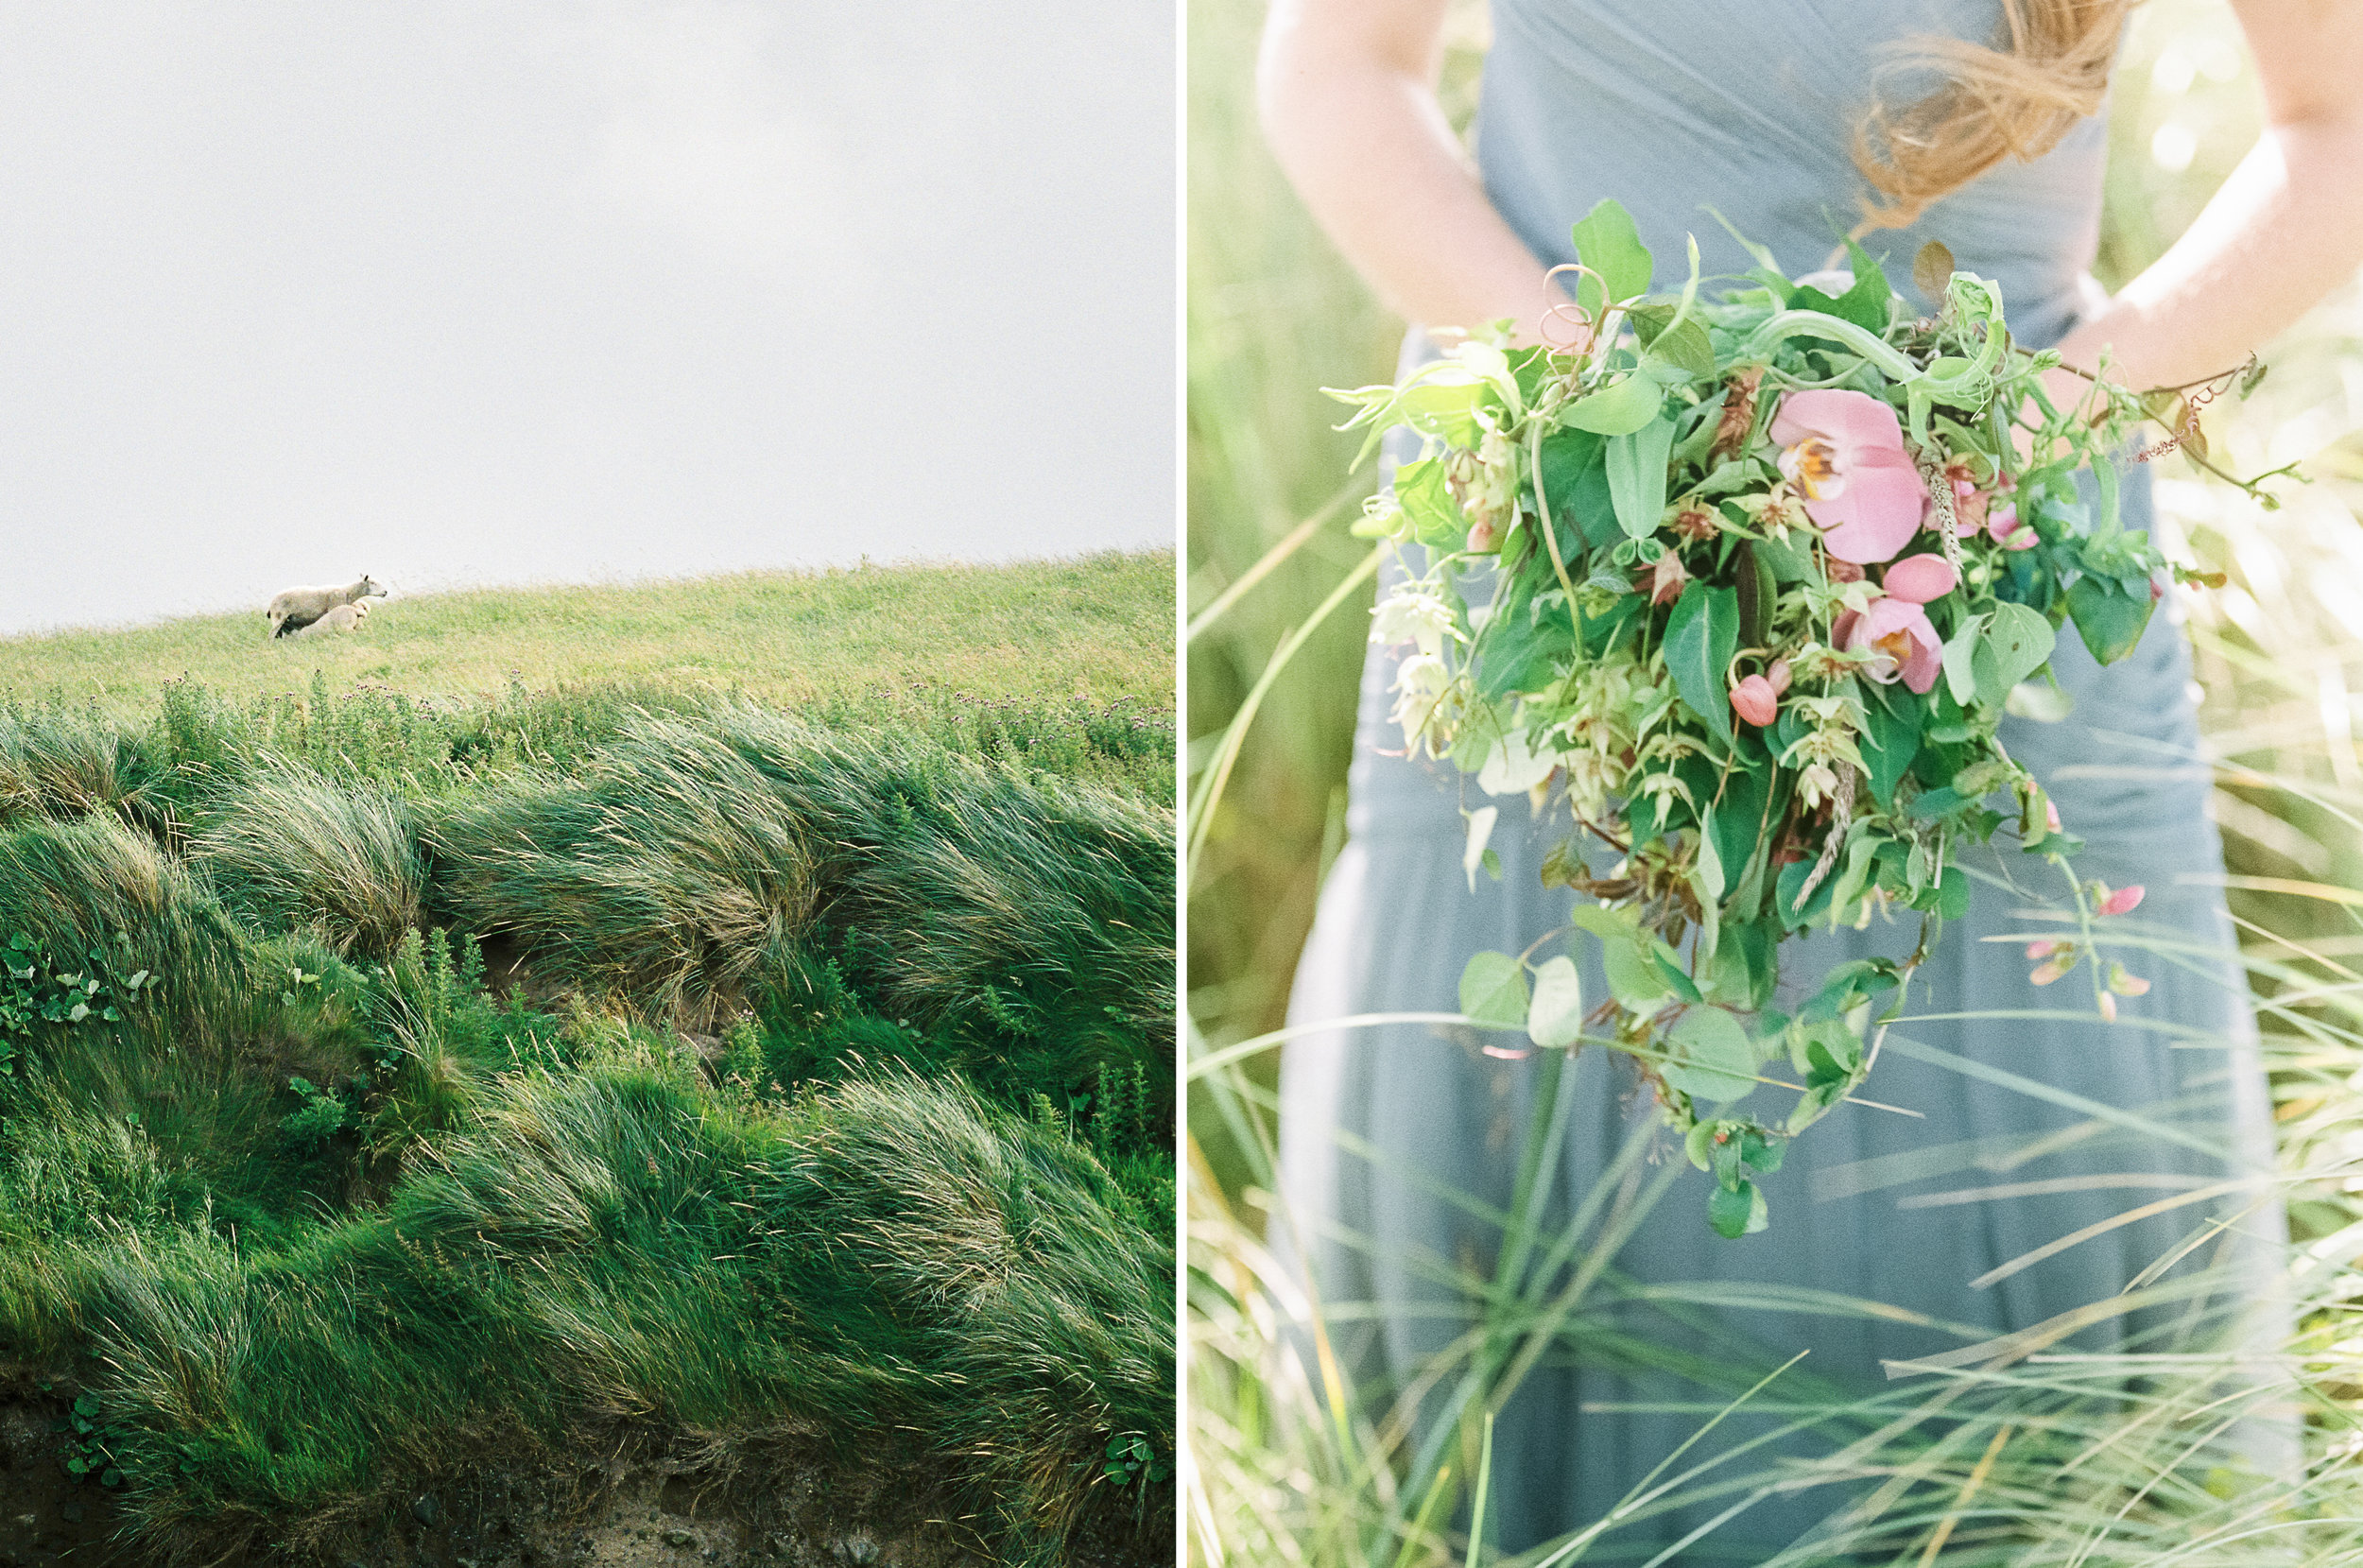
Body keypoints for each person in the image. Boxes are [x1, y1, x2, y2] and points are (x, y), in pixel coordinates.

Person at [1258, 0, 2363, 1555]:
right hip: (1562, 551)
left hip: (2002, 594)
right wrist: (1620, 429)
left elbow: (2340, 122)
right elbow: (1333, 71)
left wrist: (2038, 429)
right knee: (1523, 1241)